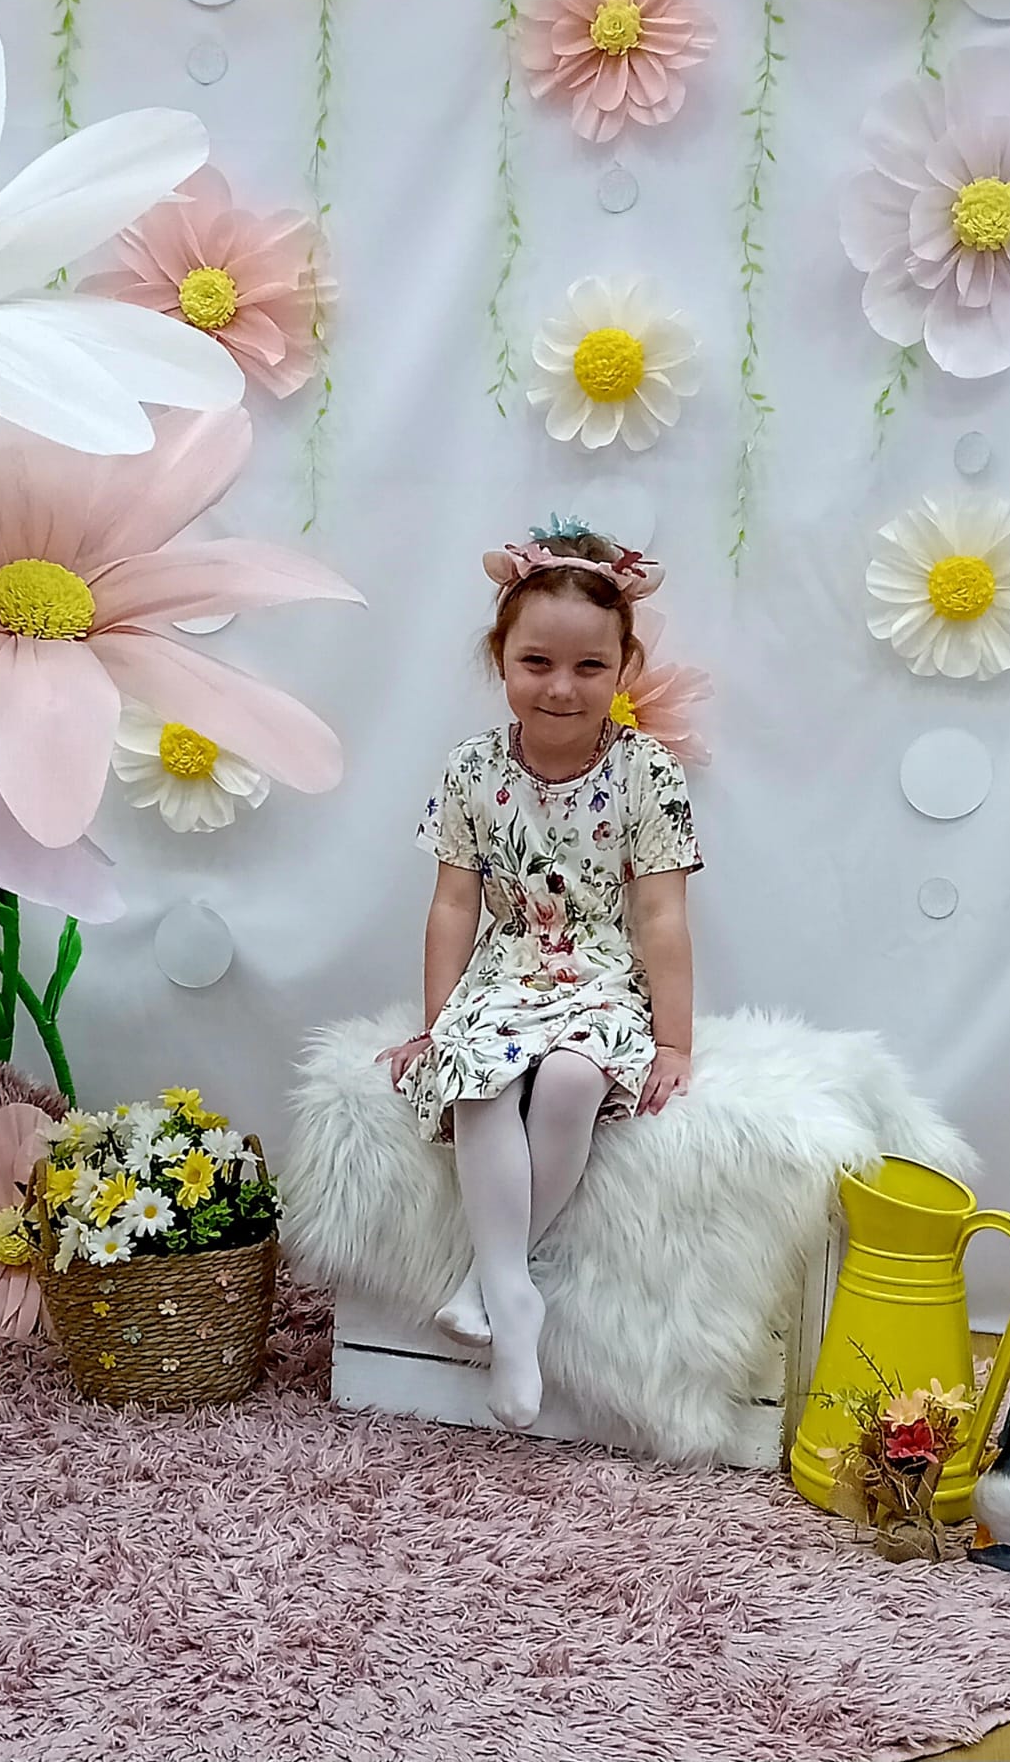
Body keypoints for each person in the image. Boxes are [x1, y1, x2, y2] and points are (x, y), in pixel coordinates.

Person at [379, 526, 702, 1431]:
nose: (562, 687)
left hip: (600, 971)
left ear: (624, 666)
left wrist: (674, 1041)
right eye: (537, 663)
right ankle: (514, 1296)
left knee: (567, 1079)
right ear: (501, 659)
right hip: (507, 966)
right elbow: (453, 905)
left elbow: (661, 916)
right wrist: (439, 1024)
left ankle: (485, 1281)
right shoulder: (472, 770)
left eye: (590, 666)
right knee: (480, 1082)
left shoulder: (648, 772)